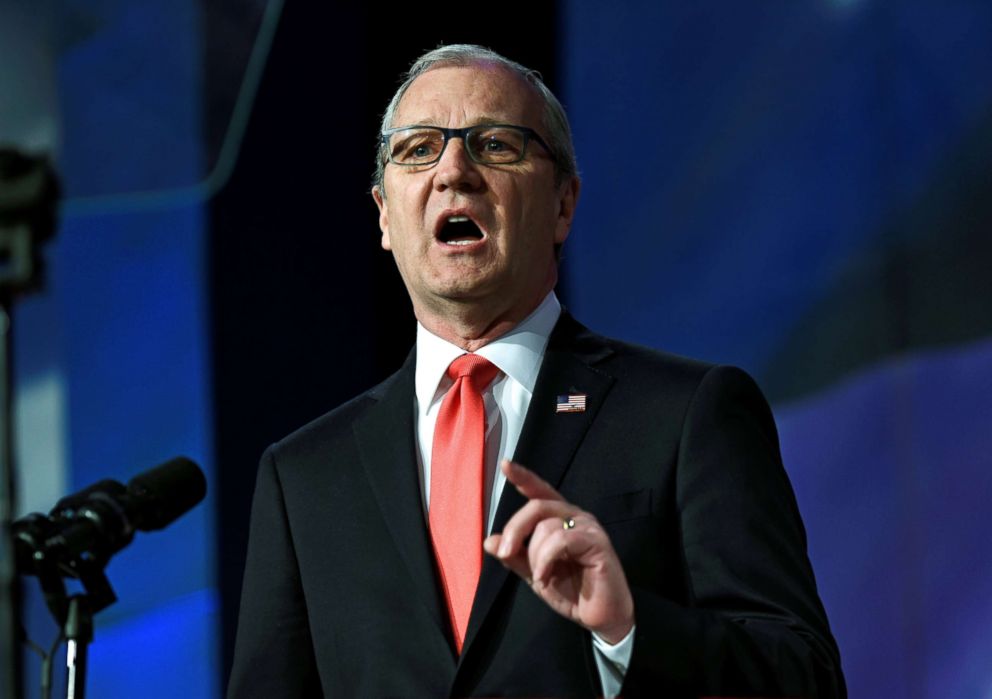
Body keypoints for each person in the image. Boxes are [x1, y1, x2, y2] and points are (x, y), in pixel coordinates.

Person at [227, 44, 846, 698]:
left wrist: (627, 627)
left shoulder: (688, 415)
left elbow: (802, 677)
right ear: (384, 214)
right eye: (417, 150)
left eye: (495, 144)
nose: (453, 171)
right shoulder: (305, 475)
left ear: (563, 205)